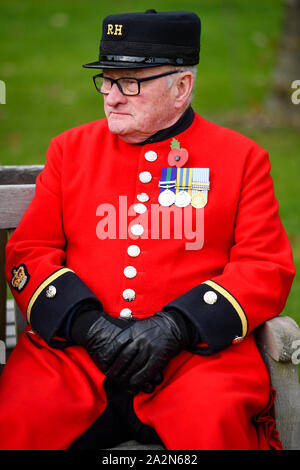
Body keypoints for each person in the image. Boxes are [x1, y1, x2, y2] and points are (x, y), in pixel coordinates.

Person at [0, 10, 295, 450]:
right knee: (19, 419)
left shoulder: (241, 158)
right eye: (106, 79)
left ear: (182, 87)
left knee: (213, 423)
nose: (113, 97)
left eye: (131, 81)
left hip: (195, 361)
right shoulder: (70, 150)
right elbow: (29, 250)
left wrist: (178, 325)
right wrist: (85, 325)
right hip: (73, 359)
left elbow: (264, 266)